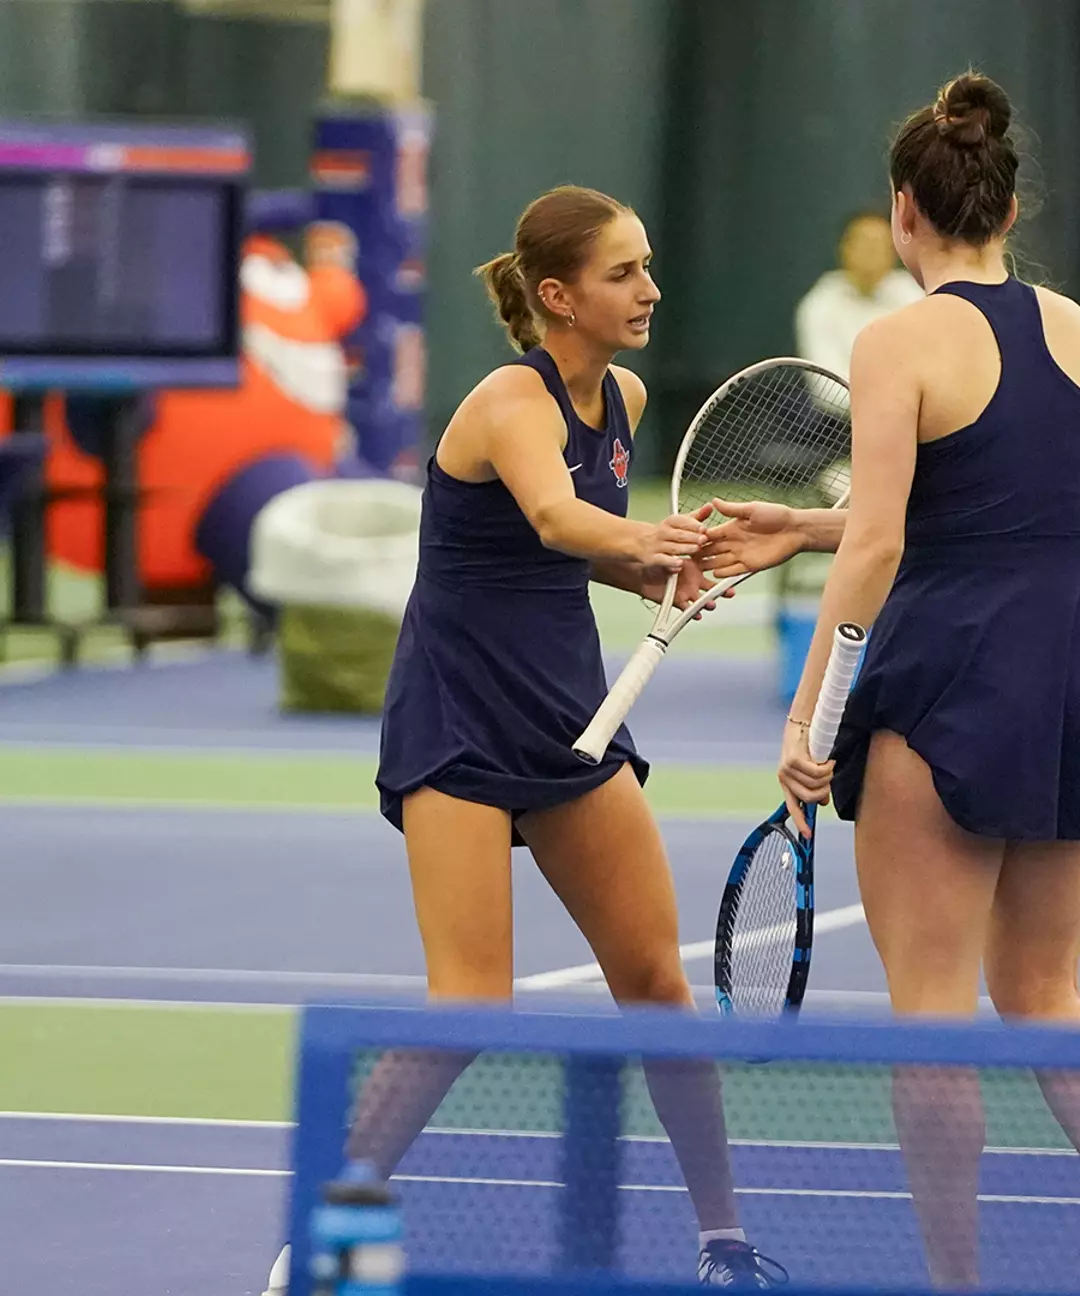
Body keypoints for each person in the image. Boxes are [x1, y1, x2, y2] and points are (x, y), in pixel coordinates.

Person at [263, 185, 785, 1294]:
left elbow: (574, 552)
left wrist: (655, 565)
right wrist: (646, 535)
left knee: (656, 985)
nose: (649, 289)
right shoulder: (510, 399)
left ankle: (726, 1243)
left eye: (647, 267)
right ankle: (321, 1228)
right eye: (623, 273)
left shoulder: (627, 395)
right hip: (457, 713)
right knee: (470, 1007)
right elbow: (554, 517)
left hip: (568, 718)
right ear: (557, 296)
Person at [708, 73, 1080, 1290]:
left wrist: (812, 717)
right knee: (1049, 1001)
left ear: (903, 214)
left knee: (931, 1010)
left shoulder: (892, 340)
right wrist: (797, 528)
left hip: (945, 681)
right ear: (1012, 209)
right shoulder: (1079, 326)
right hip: (1064, 686)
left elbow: (880, 544)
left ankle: (960, 1288)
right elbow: (1003, 507)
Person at [795, 210, 923, 378]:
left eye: (881, 244)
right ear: (844, 248)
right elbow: (826, 386)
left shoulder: (916, 294)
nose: (872, 251)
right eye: (864, 243)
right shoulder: (819, 305)